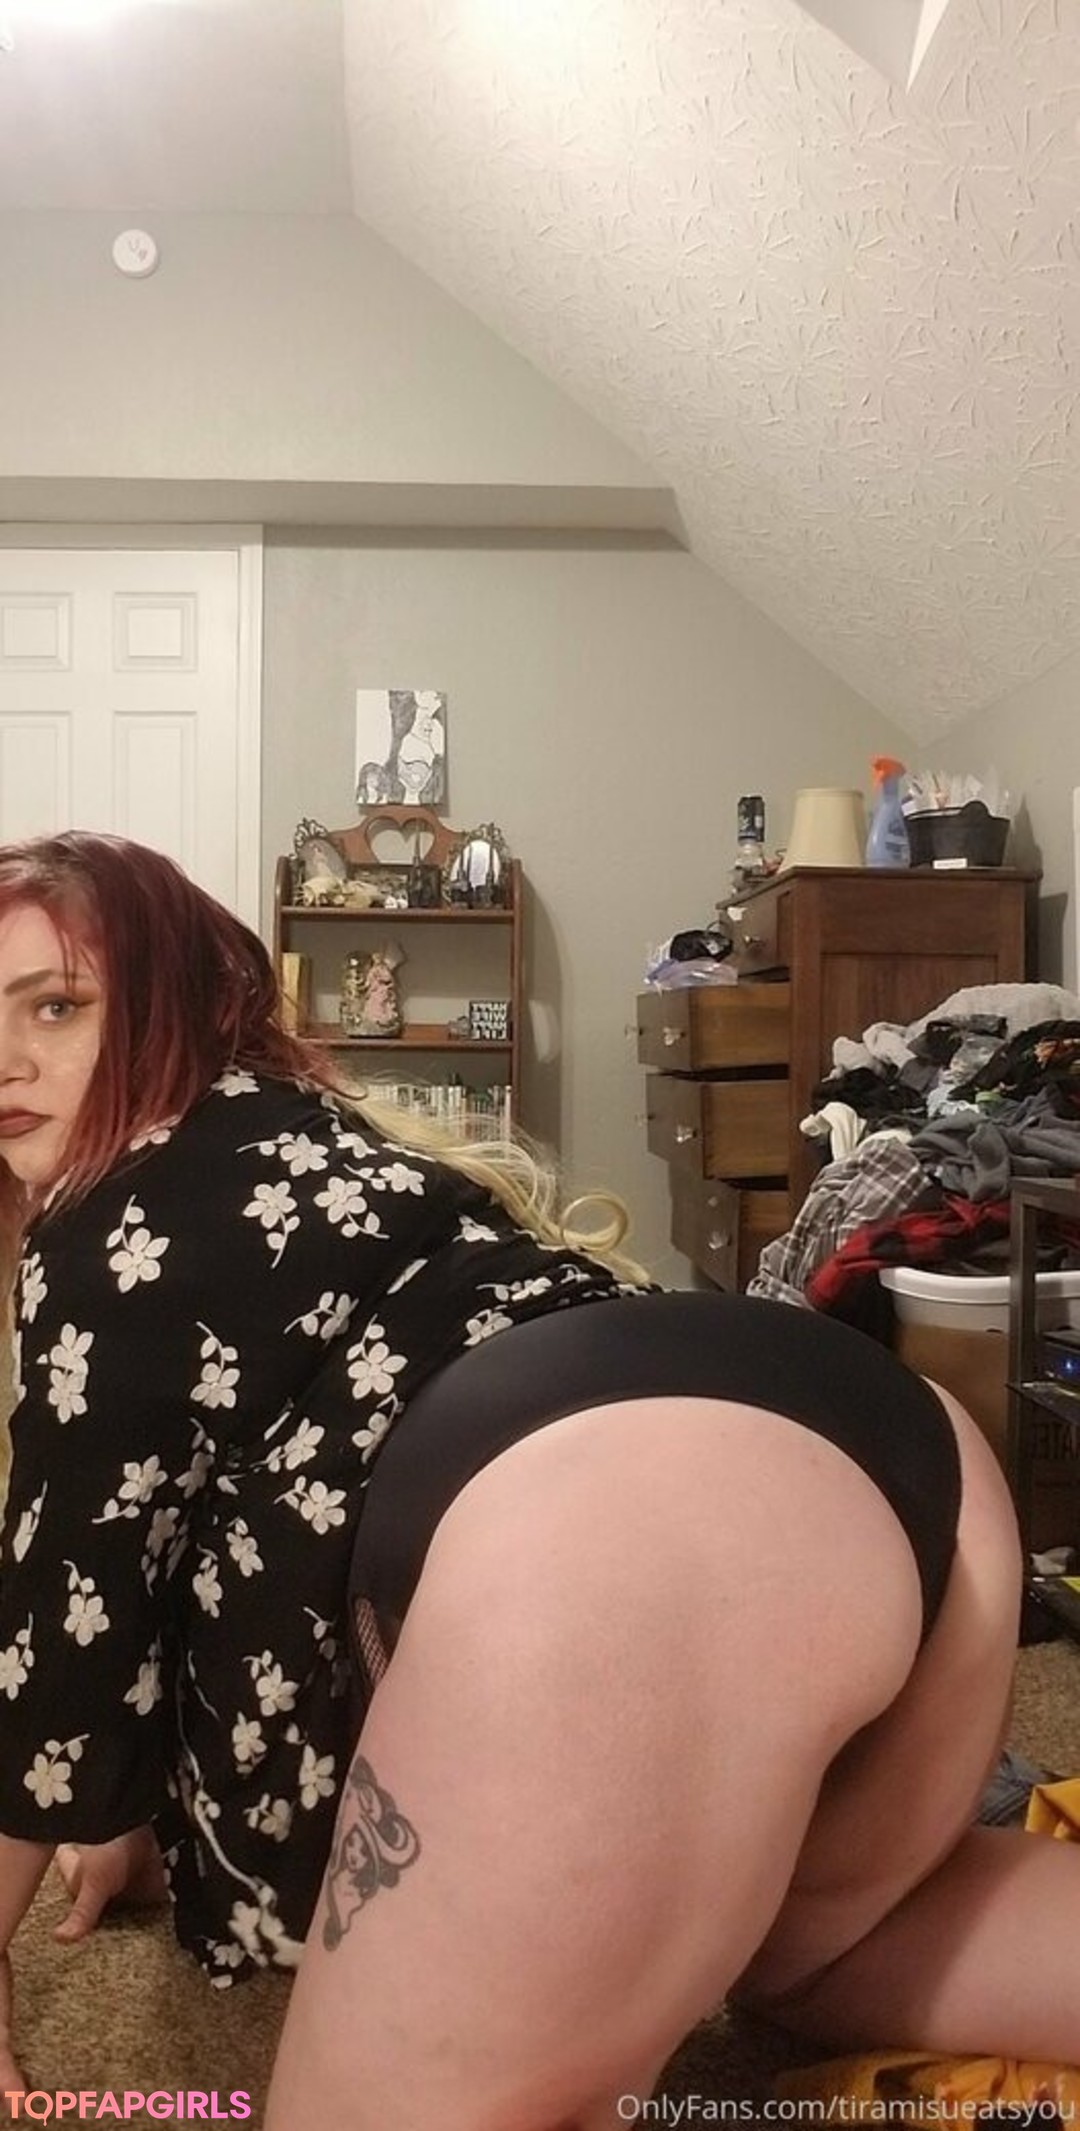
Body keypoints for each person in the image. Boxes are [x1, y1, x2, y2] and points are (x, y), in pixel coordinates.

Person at [0, 835, 1076, 2126]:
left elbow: (64, 1628)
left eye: (56, 1007)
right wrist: (146, 1803)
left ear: (178, 1009)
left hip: (631, 1528)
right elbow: (176, 1542)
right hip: (881, 1442)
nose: (7, 1059)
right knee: (834, 1956)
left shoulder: (115, 1224)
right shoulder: (315, 1142)